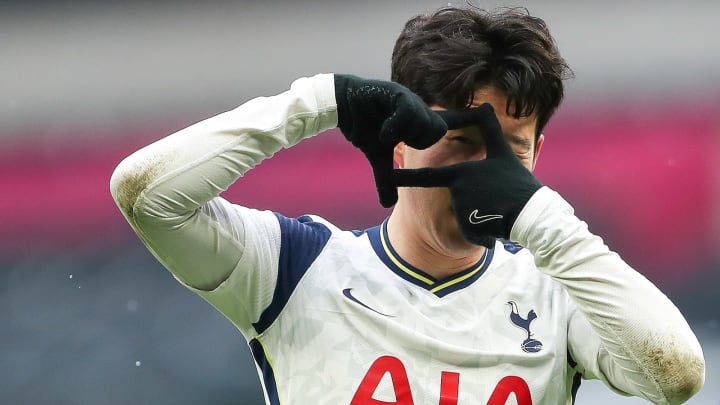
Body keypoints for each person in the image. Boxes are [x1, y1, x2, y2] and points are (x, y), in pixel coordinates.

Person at [110, 6, 705, 404]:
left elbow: (676, 377)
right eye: (463, 144)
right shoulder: (296, 267)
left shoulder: (561, 291)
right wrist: (320, 101)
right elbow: (145, 194)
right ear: (402, 140)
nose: (487, 172)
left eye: (511, 154)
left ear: (539, 154)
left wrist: (543, 220)